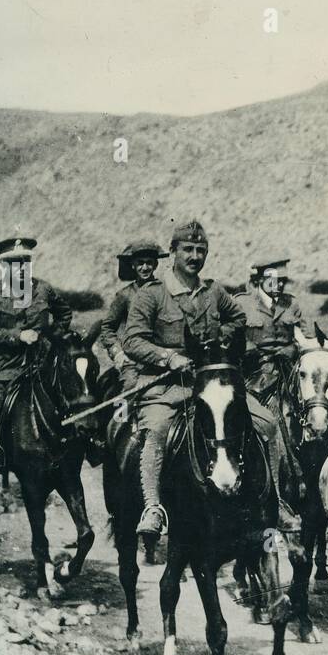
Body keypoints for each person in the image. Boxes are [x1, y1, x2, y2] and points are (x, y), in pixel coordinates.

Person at [122, 220, 260, 537]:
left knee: (261, 422)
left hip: (208, 384)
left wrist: (218, 342)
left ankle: (272, 501)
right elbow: (132, 341)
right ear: (172, 252)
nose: (195, 256)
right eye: (188, 249)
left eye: (201, 250)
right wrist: (169, 356)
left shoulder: (213, 292)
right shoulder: (151, 295)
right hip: (164, 386)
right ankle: (153, 507)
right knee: (156, 430)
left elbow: (238, 317)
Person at [0, 236, 72, 470]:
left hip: (40, 361)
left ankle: (84, 442)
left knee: (70, 390)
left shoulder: (44, 289)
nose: (20, 269)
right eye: (13, 263)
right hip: (3, 364)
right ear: (3, 266)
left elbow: (64, 313)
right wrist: (18, 335)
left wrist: (52, 336)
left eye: (24, 263)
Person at [99, 240, 166, 395]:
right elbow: (107, 328)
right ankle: (121, 419)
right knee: (129, 387)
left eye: (149, 263)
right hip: (133, 360)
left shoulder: (165, 291)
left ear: (155, 265)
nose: (145, 267)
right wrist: (118, 353)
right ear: (133, 265)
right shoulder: (125, 295)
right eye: (140, 263)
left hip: (160, 355)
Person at [235, 257, 304, 404]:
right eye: (273, 280)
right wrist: (245, 346)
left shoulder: (292, 303)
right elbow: (229, 338)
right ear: (260, 279)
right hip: (252, 373)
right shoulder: (242, 303)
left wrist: (294, 348)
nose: (278, 285)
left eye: (282, 281)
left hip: (287, 373)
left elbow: (306, 338)